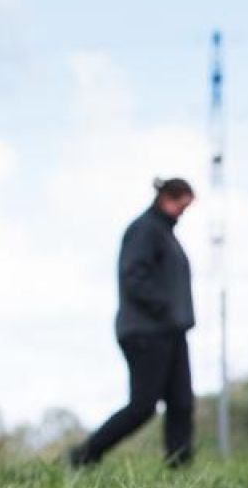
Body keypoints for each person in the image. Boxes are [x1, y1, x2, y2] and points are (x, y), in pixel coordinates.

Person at [71, 177, 198, 468]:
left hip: (171, 331)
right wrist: (165, 308)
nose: (183, 212)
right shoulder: (145, 230)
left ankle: (180, 471)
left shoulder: (164, 233)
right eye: (182, 204)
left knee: (181, 403)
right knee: (143, 406)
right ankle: (84, 456)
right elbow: (133, 277)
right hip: (146, 331)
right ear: (167, 198)